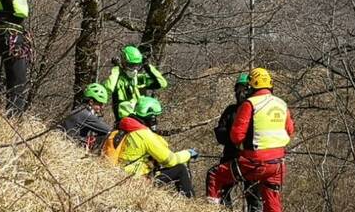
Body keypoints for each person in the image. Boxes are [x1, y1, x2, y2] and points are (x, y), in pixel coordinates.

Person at [207, 68, 295, 212]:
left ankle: (213, 209)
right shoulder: (281, 104)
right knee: (271, 201)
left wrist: (244, 147)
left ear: (251, 85)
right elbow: (290, 130)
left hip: (253, 162)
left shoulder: (250, 104)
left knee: (215, 175)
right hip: (277, 164)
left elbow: (236, 136)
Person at [118, 96, 198, 197]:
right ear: (151, 118)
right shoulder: (145, 135)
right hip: (135, 182)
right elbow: (170, 160)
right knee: (180, 169)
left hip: (120, 177)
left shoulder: (125, 127)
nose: (156, 120)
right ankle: (191, 204)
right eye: (155, 117)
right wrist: (189, 153)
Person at [206, 73, 263, 212]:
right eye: (238, 89)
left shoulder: (257, 110)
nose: (240, 93)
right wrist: (234, 136)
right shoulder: (231, 110)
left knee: (254, 197)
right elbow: (220, 134)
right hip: (232, 157)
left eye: (244, 89)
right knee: (222, 187)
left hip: (251, 159)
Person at [103, 45, 168, 122]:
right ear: (124, 63)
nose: (134, 69)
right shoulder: (118, 80)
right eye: (131, 65)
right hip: (125, 122)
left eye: (137, 66)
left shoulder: (138, 79)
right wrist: (117, 68)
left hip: (141, 119)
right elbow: (108, 88)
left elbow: (162, 83)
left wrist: (147, 66)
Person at [61, 83, 112, 150]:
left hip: (66, 145)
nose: (102, 107)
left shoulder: (79, 110)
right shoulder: (86, 114)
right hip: (71, 148)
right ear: (91, 102)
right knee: (110, 136)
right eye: (100, 104)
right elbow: (109, 131)